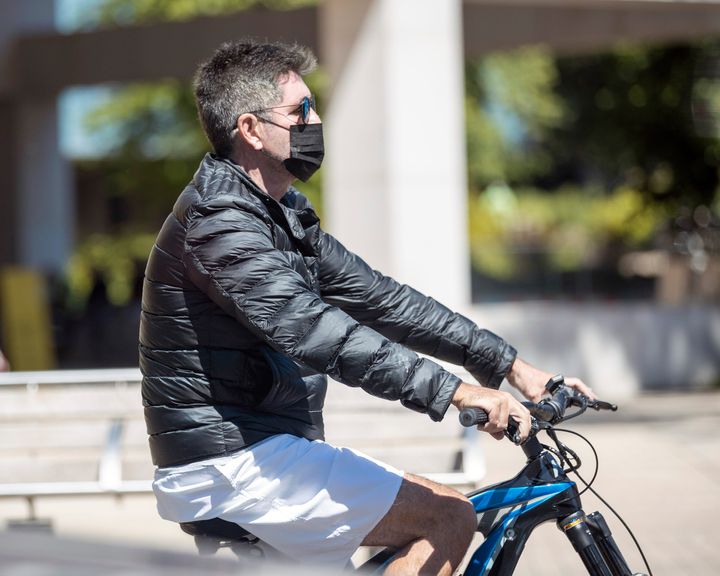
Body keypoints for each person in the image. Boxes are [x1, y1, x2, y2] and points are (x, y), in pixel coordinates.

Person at [139, 39, 592, 575]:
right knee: (447, 517)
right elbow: (322, 334)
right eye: (299, 110)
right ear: (251, 129)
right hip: (233, 459)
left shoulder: (279, 216)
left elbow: (385, 301)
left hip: (263, 446)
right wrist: (456, 392)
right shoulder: (221, 225)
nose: (315, 119)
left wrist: (510, 365)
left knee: (431, 513)